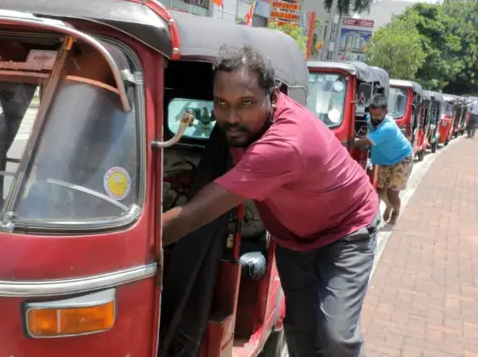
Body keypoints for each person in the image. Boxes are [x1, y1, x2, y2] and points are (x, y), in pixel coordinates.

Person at [162, 45, 379, 357]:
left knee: (337, 339)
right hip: (294, 237)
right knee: (300, 333)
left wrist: (127, 247)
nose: (232, 118)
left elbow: (192, 216)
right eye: (222, 103)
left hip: (348, 230)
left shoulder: (285, 144)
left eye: (246, 103)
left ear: (274, 97)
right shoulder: (244, 127)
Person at [354, 95, 414, 225]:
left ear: (386, 112)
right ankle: (388, 206)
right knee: (380, 191)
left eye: (378, 115)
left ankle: (396, 211)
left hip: (402, 158)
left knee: (393, 193)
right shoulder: (369, 119)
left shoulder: (388, 127)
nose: (375, 118)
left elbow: (364, 141)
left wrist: (347, 141)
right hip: (383, 159)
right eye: (372, 114)